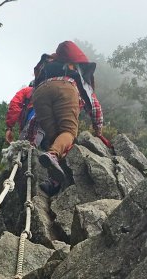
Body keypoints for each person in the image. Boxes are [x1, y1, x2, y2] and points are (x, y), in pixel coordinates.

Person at [29, 40, 103, 194]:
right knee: (69, 132)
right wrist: (98, 129)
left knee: (55, 138)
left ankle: (52, 181)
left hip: (39, 94)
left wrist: (31, 140)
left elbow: (35, 117)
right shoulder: (75, 71)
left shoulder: (47, 67)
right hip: (65, 87)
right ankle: (53, 156)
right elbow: (93, 102)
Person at [4, 54, 52, 146]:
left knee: (24, 149)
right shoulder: (55, 88)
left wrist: (9, 127)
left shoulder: (27, 91)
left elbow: (14, 105)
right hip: (54, 124)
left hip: (35, 119)